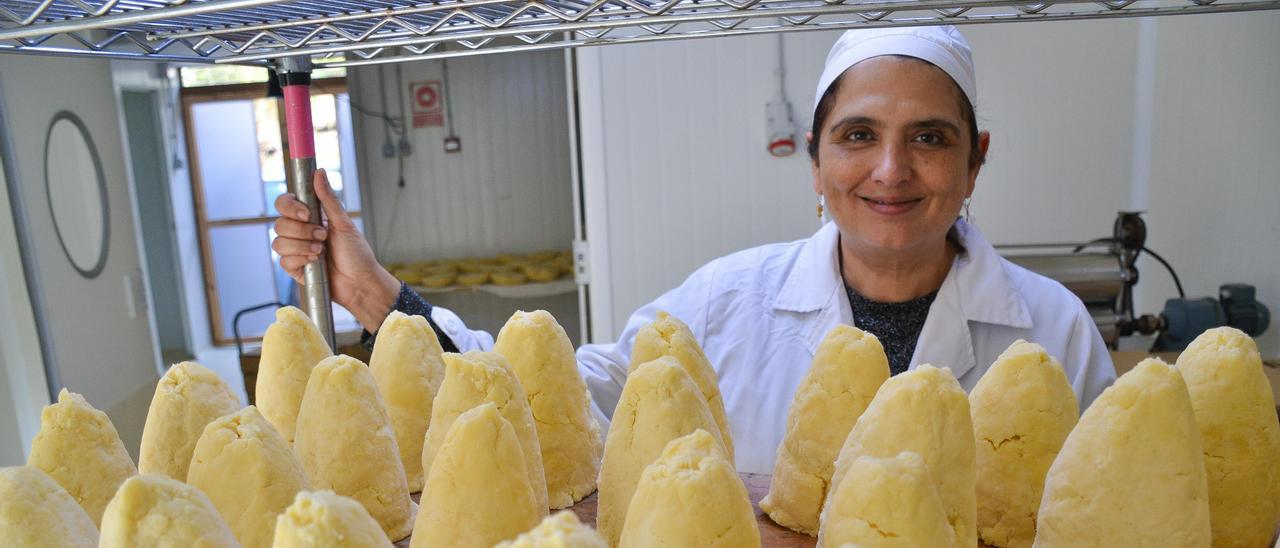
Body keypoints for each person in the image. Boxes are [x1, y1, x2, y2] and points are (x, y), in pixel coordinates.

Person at [272, 26, 1116, 473]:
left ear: (975, 161)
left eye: (929, 137)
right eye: (858, 135)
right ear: (817, 163)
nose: (890, 170)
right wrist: (380, 299)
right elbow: (552, 396)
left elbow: (1109, 509)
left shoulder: (1054, 329)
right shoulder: (728, 301)